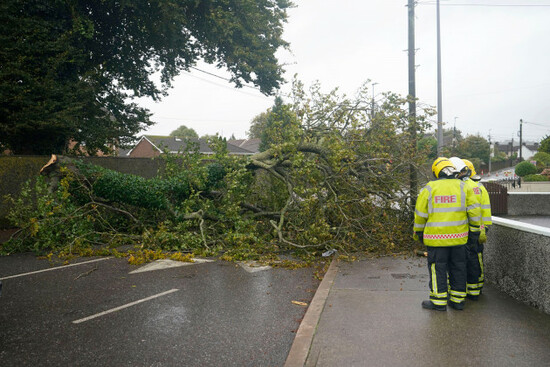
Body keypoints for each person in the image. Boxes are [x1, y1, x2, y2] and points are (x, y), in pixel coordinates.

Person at [414, 157, 481, 311]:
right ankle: (457, 301)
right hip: (459, 239)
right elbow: (474, 212)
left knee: (438, 269)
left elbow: (420, 215)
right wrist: (475, 232)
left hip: (436, 240)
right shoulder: (464, 187)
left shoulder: (429, 188)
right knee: (459, 268)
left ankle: (439, 302)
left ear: (436, 172)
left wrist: (418, 233)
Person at [463, 159, 492, 299]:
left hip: (472, 229)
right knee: (477, 258)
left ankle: (472, 288)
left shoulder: (469, 187)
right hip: (481, 228)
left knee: (471, 259)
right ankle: (476, 288)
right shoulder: (480, 187)